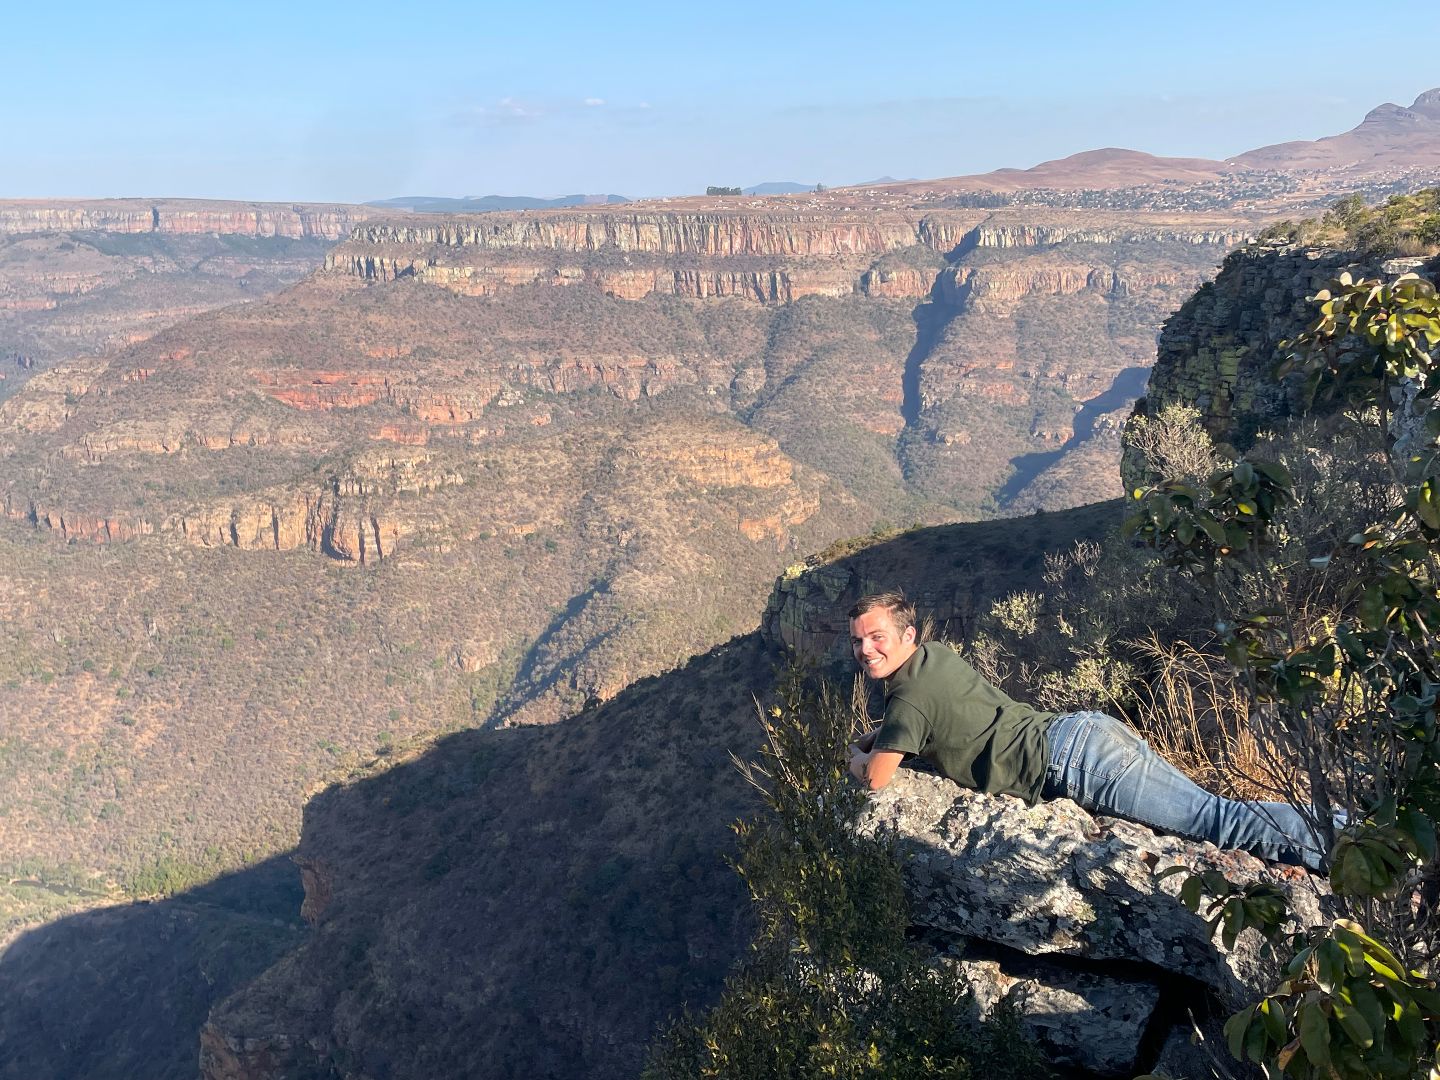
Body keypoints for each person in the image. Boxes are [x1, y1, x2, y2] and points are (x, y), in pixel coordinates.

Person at [846, 591, 1337, 871]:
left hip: (1077, 765)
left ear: (908, 635)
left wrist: (856, 757)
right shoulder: (932, 658)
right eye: (857, 641)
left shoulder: (908, 699)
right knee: (1211, 811)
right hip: (1083, 735)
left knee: (1216, 822)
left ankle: (1342, 843)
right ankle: (1342, 833)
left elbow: (877, 778)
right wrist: (884, 736)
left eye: (877, 637)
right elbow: (924, 720)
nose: (866, 650)